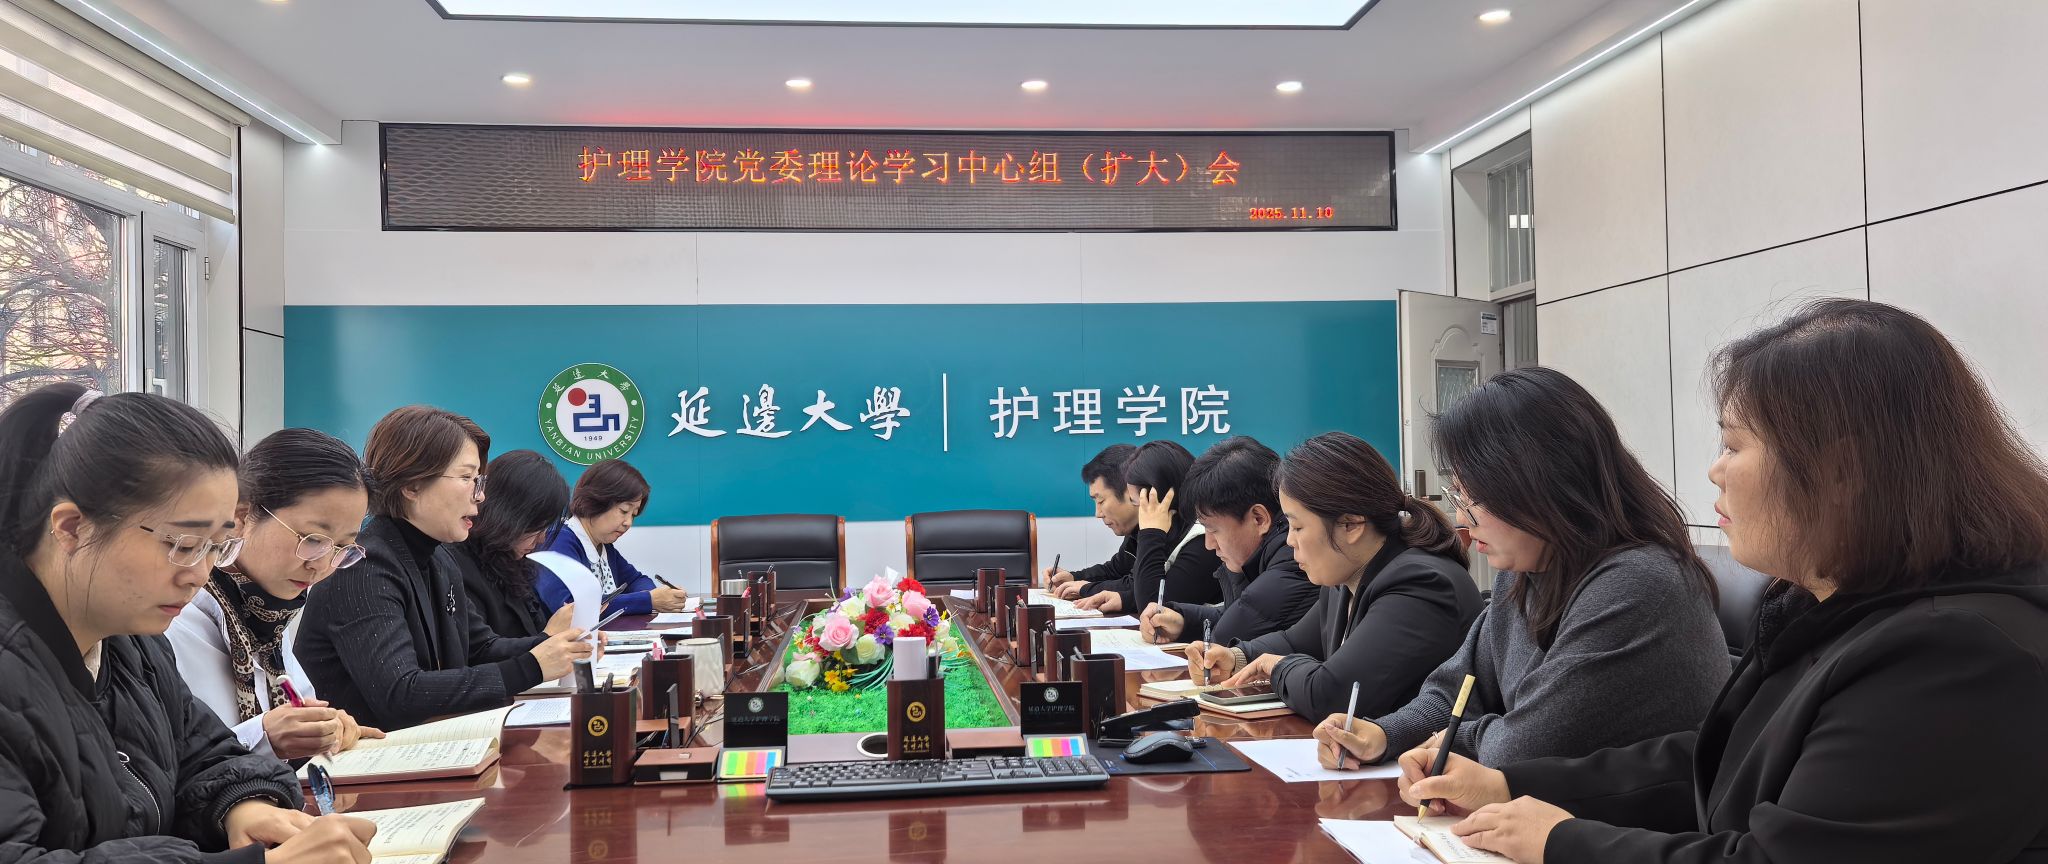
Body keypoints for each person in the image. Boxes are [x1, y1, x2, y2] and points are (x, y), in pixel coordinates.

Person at [1395, 300, 2048, 863]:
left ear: (1841, 471)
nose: (1714, 471)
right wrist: (1512, 785)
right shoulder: (1826, 606)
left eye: (1733, 446)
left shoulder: (1957, 655)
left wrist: (1566, 842)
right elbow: (1720, 761)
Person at [0, 383, 376, 863]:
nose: (199, 575)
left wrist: (242, 806)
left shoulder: (135, 646)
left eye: (217, 547)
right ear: (73, 527)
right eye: (182, 544)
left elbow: (204, 754)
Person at [1314, 367, 1727, 768]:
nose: (1462, 519)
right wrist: (1385, 733)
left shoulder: (1636, 585)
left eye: (1473, 497)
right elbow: (1457, 690)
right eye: (1457, 495)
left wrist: (1450, 740)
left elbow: (1525, 747)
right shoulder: (1527, 570)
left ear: (1540, 483)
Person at [295, 406, 594, 730]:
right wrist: (533, 666)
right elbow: (401, 695)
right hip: (361, 757)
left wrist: (558, 647)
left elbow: (479, 648)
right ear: (412, 484)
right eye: (466, 478)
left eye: (479, 480)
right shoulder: (364, 567)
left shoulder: (439, 558)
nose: (480, 496)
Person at [1186, 432, 1480, 721]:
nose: (1289, 540)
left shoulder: (1420, 584)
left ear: (1351, 526)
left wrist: (1278, 668)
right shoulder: (1346, 574)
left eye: (1297, 527)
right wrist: (1236, 658)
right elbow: (1294, 642)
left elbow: (1331, 695)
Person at [168, 428, 382, 761]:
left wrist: (327, 728)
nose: (321, 565)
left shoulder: (267, 623)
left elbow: (294, 716)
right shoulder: (171, 622)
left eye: (342, 547)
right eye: (313, 539)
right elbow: (157, 762)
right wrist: (263, 736)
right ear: (241, 517)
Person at [1139, 436, 1319, 646]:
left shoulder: (1294, 558)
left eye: (1213, 530)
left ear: (1259, 519)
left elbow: (1228, 634)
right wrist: (1183, 622)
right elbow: (1240, 612)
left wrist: (1234, 571)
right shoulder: (1272, 548)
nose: (1209, 544)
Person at [1072, 441, 1223, 614]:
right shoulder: (1172, 529)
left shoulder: (1203, 540)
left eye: (1136, 501)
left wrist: (1151, 532)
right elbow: (1138, 582)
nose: (1137, 509)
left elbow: (1152, 607)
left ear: (1158, 496)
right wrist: (1123, 599)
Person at [446, 450, 575, 640]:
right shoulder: (456, 567)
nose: (541, 539)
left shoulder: (513, 562)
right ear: (508, 515)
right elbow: (480, 651)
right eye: (536, 528)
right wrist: (550, 637)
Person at [536, 459, 688, 615]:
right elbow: (570, 607)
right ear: (595, 501)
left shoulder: (604, 546)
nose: (628, 523)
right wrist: (648, 600)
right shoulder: (558, 541)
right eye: (624, 511)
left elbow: (636, 580)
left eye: (633, 515)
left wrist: (657, 596)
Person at [1047, 443, 1139, 599]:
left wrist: (1087, 589)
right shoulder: (1134, 530)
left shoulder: (1160, 530)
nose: (1098, 514)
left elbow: (1140, 585)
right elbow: (1116, 570)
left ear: (1131, 492)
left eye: (1101, 501)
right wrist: (1073, 578)